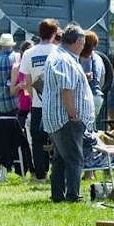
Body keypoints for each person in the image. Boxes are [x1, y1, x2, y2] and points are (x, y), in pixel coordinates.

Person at [43, 23, 93, 204]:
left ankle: (58, 195)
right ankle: (73, 196)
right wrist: (74, 116)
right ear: (78, 42)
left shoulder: (60, 56)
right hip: (65, 118)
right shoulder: (65, 59)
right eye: (84, 43)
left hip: (56, 117)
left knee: (60, 159)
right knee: (74, 158)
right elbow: (66, 89)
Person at [16, 20, 62, 184]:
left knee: (37, 140)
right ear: (54, 33)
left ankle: (40, 175)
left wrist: (30, 96)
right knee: (58, 140)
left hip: (37, 104)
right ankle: (56, 173)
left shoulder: (29, 53)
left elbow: (26, 83)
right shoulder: (59, 52)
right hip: (57, 104)